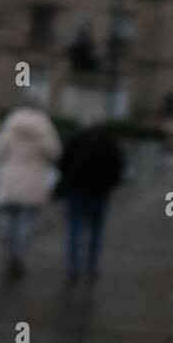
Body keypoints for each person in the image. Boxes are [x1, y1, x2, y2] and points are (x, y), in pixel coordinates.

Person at [0, 102, 61, 280]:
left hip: (12, 180)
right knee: (26, 222)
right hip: (33, 182)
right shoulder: (45, 126)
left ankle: (9, 254)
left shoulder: (11, 123)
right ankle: (19, 256)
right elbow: (54, 153)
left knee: (10, 221)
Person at [57, 121, 124, 282]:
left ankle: (73, 266)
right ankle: (92, 265)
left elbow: (63, 162)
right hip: (100, 195)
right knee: (96, 232)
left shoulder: (77, 140)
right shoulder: (111, 145)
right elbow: (118, 171)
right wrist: (108, 187)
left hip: (77, 192)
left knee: (75, 230)